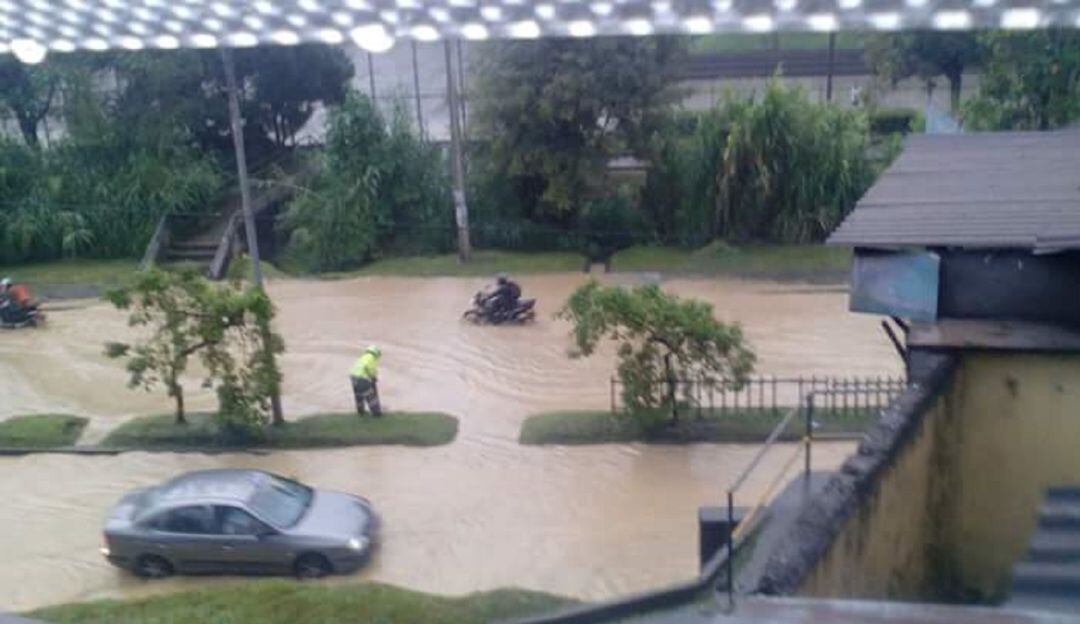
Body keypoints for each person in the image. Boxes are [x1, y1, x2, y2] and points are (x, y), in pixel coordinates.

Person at [349, 345, 382, 417]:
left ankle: (360, 411)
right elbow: (370, 368)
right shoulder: (371, 358)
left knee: (358, 395)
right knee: (370, 395)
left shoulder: (363, 357)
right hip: (362, 378)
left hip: (353, 377)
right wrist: (373, 377)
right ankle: (376, 413)